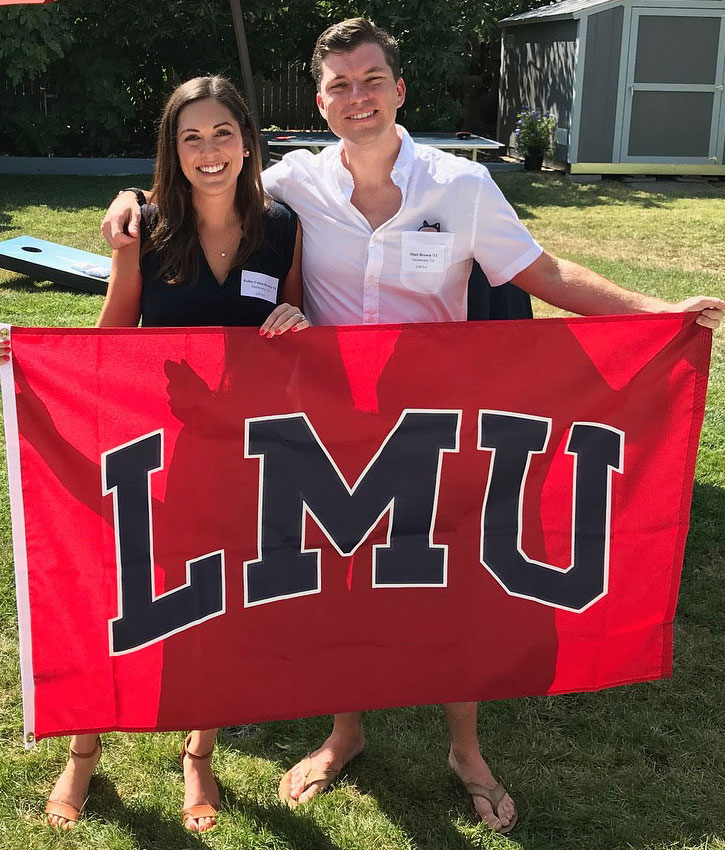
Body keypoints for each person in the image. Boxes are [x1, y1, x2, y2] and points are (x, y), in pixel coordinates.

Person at [98, 18, 724, 835]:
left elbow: (541, 271)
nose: (356, 98)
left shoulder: (458, 188)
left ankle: (463, 748)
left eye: (370, 81)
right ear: (320, 102)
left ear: (399, 89)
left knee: (448, 579)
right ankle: (342, 734)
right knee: (336, 579)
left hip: (434, 421)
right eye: (339, 86)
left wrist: (657, 312)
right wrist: (131, 204)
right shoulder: (296, 183)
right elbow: (211, 180)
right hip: (326, 425)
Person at [1, 74, 308, 835]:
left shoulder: (280, 225)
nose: (209, 151)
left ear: (248, 140)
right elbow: (111, 335)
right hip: (155, 444)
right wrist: (40, 358)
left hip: (244, 448)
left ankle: (198, 753)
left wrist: (298, 317)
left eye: (222, 133)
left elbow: (299, 336)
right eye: (190, 137)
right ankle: (84, 748)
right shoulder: (145, 225)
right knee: (123, 595)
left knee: (216, 602)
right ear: (173, 149)